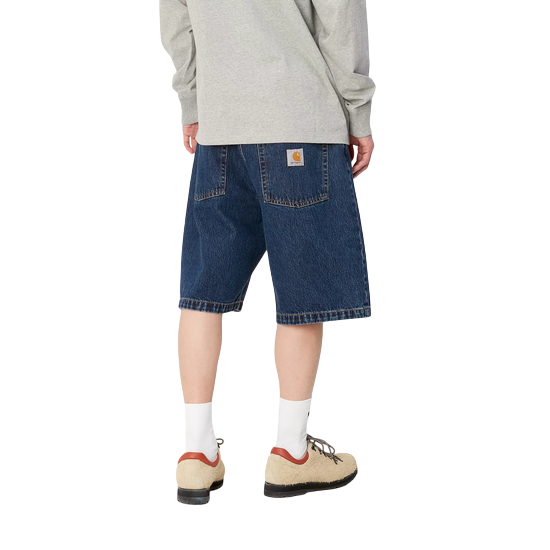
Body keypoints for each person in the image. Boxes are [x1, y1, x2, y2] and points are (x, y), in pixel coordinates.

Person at [160, 0, 375, 505]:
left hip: (220, 129)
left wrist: (193, 102)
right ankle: (291, 453)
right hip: (299, 121)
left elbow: (176, 18)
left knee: (203, 293)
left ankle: (195, 454)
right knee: (302, 293)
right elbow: (340, 20)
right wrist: (357, 113)